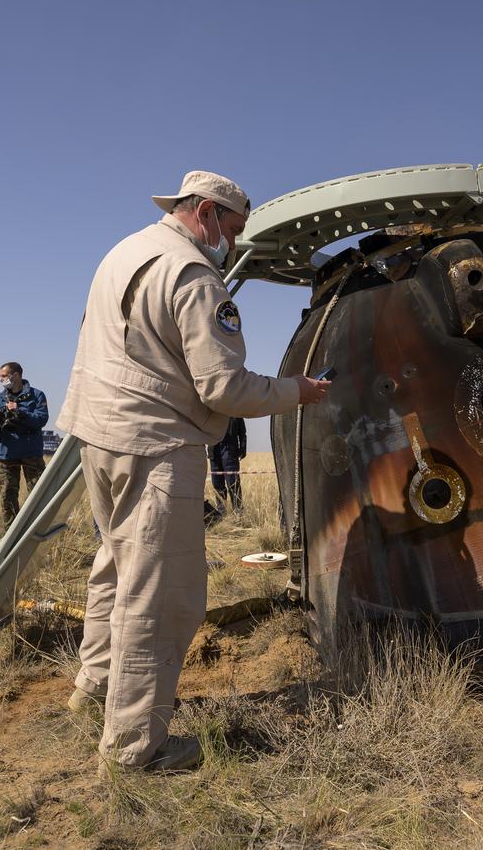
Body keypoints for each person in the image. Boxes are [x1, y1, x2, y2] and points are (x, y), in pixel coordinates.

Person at [58, 170, 330, 774]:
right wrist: (298, 392)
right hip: (155, 444)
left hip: (99, 434)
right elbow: (225, 386)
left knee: (115, 564)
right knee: (159, 596)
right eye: (231, 230)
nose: (231, 245)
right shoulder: (193, 275)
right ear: (205, 213)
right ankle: (134, 751)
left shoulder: (124, 251)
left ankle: (94, 688)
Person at [0, 362, 49, 527]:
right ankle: (11, 532)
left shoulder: (36, 395)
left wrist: (20, 412)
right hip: (7, 451)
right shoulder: (1, 397)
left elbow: (41, 419)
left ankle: (39, 528)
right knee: (6, 494)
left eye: (3, 376)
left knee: (38, 492)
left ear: (15, 375)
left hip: (30, 451)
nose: (0, 379)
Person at [209, 416, 247, 511]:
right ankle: (221, 512)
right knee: (217, 484)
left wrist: (243, 448)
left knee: (233, 483)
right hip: (214, 450)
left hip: (230, 450)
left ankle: (238, 512)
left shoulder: (235, 410)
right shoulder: (211, 408)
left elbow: (242, 433)